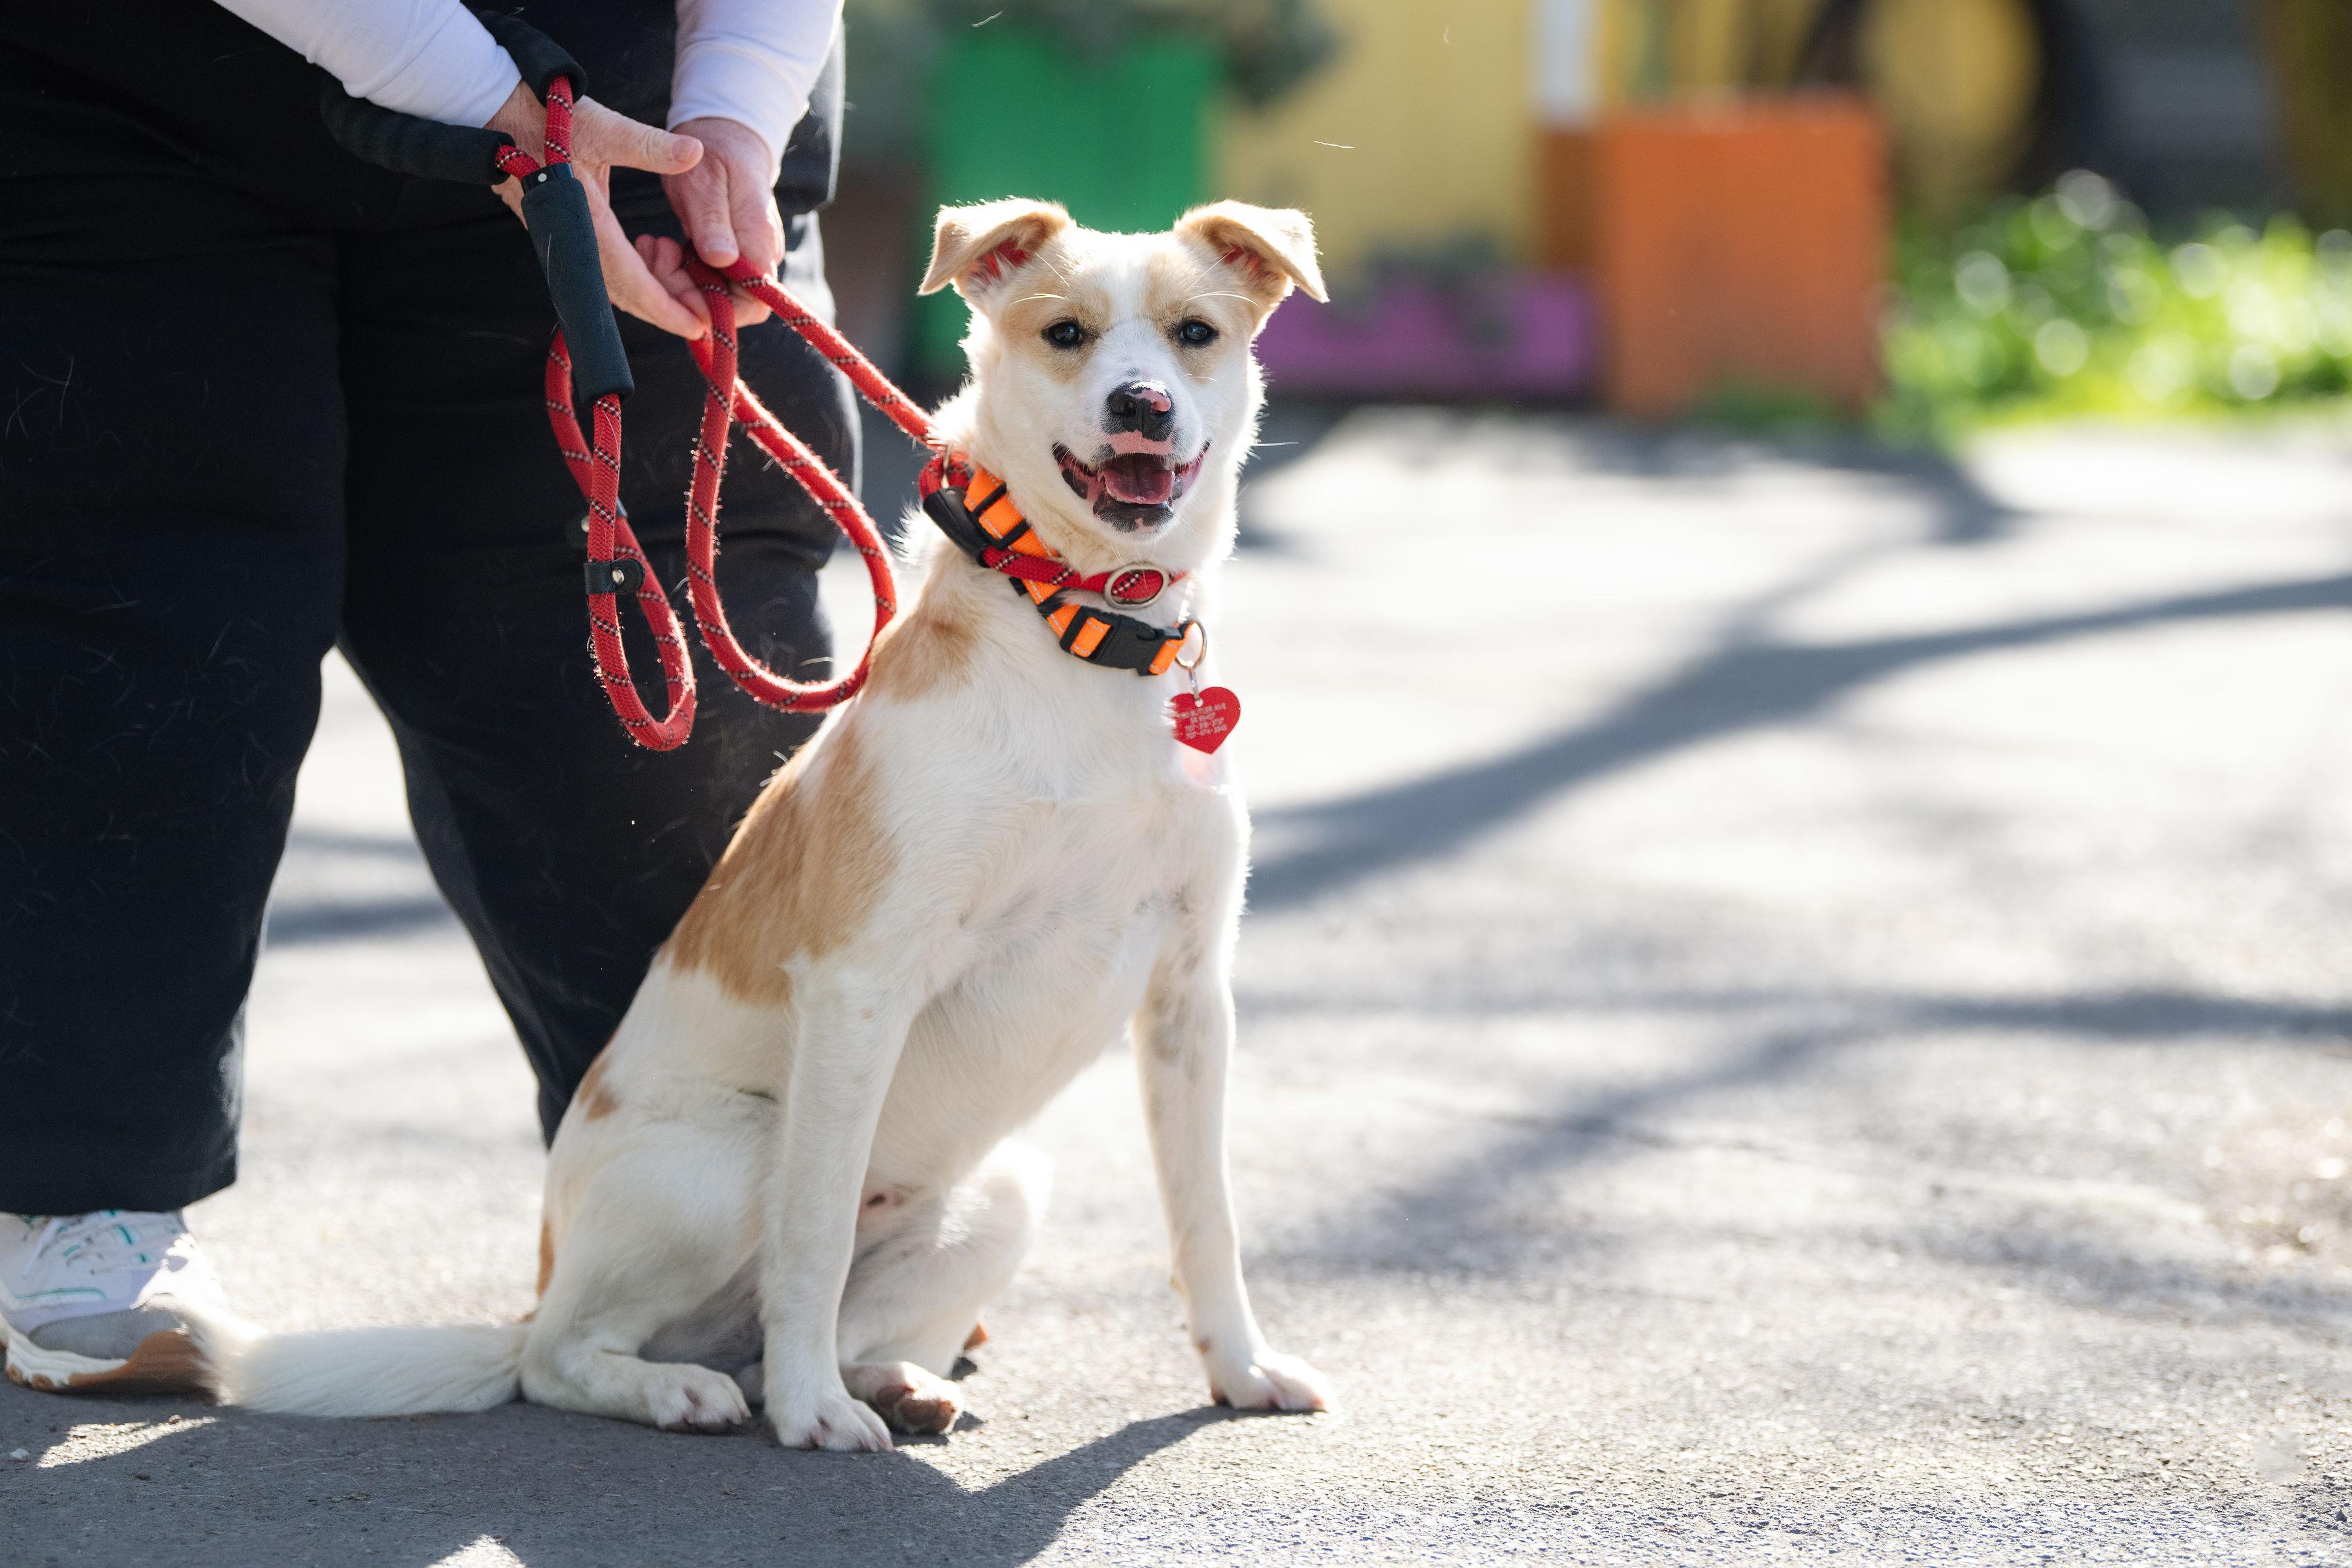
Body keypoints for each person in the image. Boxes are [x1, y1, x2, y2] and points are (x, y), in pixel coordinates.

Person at [0, 0, 854, 1394]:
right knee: (128, 614)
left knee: (655, 662)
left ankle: (770, 1207)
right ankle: (81, 1187)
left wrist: (733, 121)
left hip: (611, 78)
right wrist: (486, 98)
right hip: (116, 89)